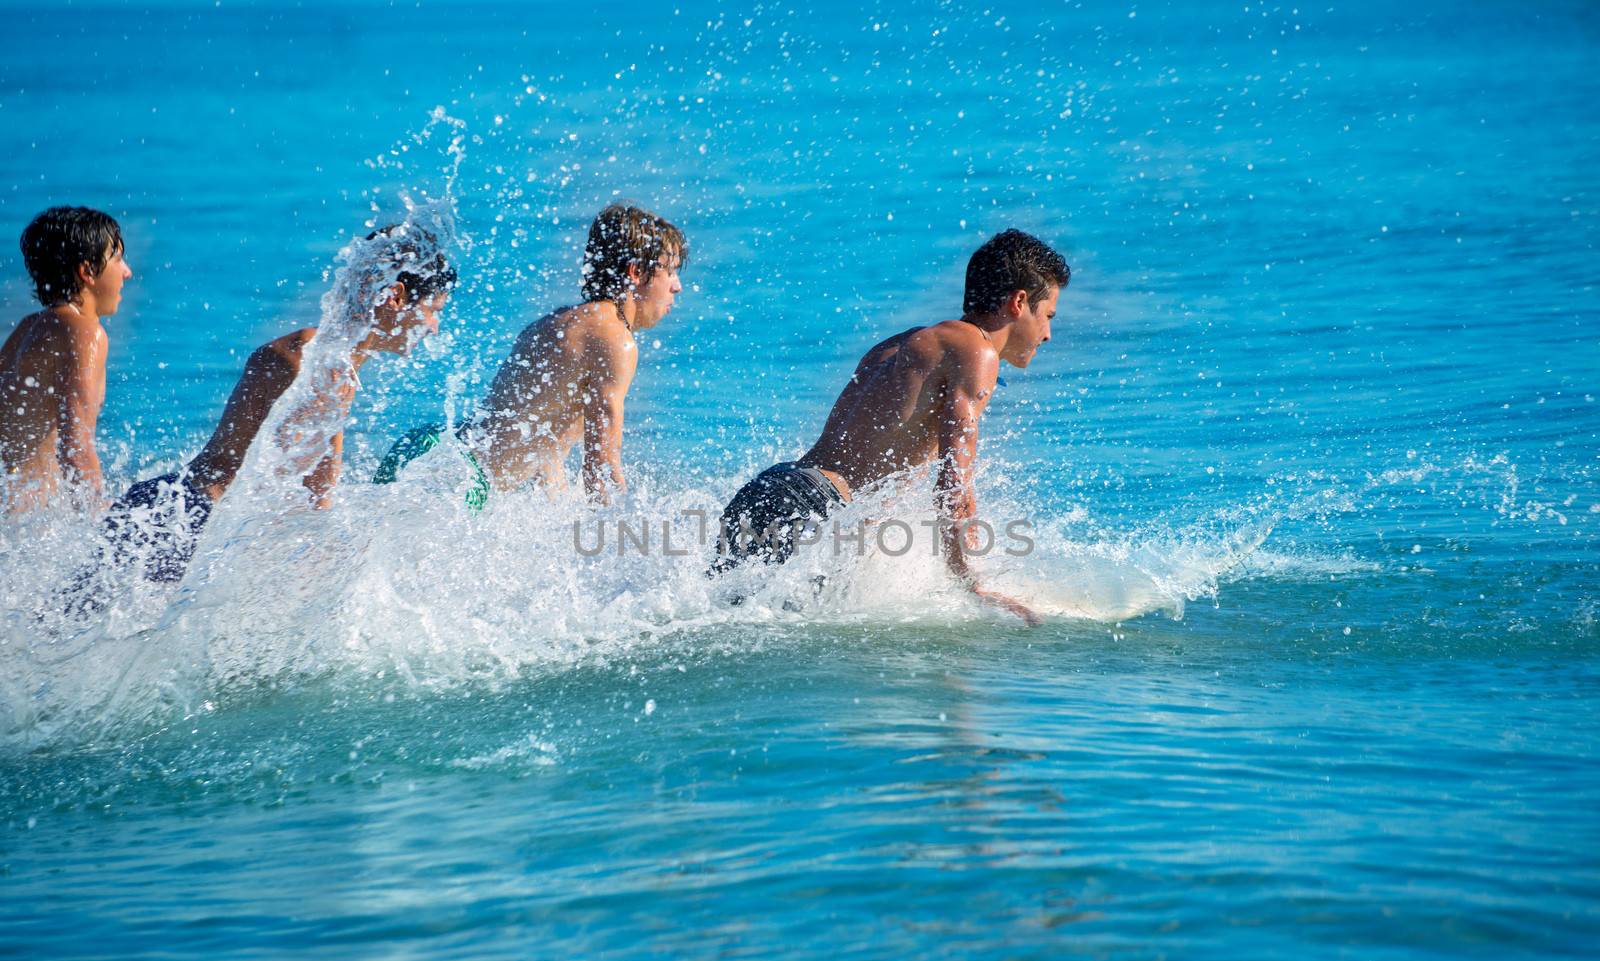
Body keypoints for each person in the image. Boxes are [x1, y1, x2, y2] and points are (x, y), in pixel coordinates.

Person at [709, 228, 1068, 625]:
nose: (1048, 334)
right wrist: (970, 584)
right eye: (1048, 316)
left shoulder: (906, 342)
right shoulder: (977, 352)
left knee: (709, 618)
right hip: (813, 509)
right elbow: (954, 486)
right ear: (1019, 302)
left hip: (775, 487)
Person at [96, 226, 454, 586]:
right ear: (395, 296)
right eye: (432, 310)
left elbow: (313, 492)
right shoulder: (310, 359)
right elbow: (294, 487)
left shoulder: (335, 364)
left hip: (182, 514)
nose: (434, 328)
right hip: (179, 519)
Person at [375, 202, 685, 506]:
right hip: (458, 481)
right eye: (670, 271)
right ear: (636, 272)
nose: (677, 286)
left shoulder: (560, 322)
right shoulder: (616, 339)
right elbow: (601, 467)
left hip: (428, 448)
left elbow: (544, 450)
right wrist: (625, 536)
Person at [1, 206, 132, 513]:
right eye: (117, 259)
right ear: (87, 272)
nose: (127, 271)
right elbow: (76, 444)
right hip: (29, 524)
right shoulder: (86, 334)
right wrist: (97, 519)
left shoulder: (27, 328)